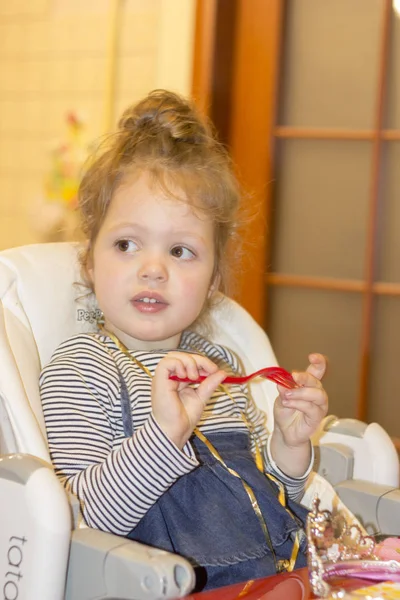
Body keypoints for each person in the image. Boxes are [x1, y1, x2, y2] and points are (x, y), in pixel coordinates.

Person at [40, 89, 328, 591]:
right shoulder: (82, 370)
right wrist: (163, 435)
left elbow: (269, 502)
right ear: (89, 261)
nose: (153, 269)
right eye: (126, 244)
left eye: (181, 250)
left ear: (214, 279)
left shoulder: (220, 366)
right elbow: (78, 524)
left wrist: (290, 444)